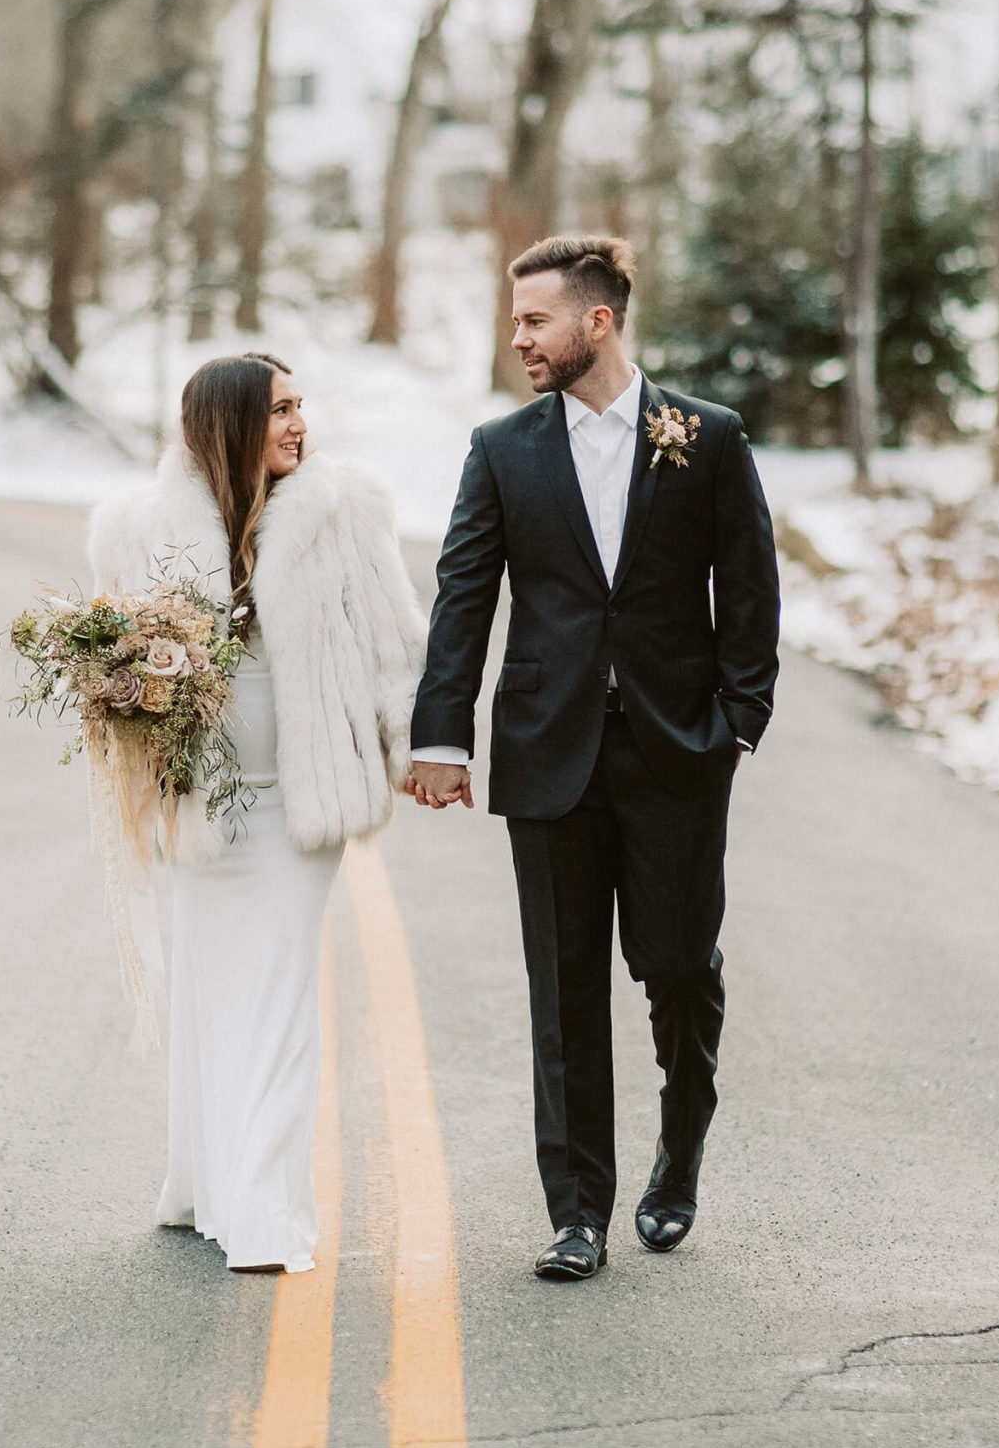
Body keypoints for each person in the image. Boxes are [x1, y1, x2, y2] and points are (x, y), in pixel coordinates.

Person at [407, 236, 780, 1281]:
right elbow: (463, 596)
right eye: (516, 322)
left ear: (597, 322)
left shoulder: (705, 439)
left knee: (674, 967)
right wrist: (442, 732)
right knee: (564, 989)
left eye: (534, 320)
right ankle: (576, 1213)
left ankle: (681, 1138)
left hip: (676, 755)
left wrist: (736, 726)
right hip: (547, 753)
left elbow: (749, 595)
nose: (518, 338)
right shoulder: (503, 449)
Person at [87, 352, 425, 1273]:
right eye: (278, 410)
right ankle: (202, 1183)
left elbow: (399, 642)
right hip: (198, 807)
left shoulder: (345, 510)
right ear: (229, 423)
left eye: (300, 407)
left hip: (297, 801)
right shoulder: (135, 529)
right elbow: (107, 668)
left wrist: (421, 749)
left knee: (277, 995)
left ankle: (267, 1214)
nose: (298, 425)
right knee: (206, 991)